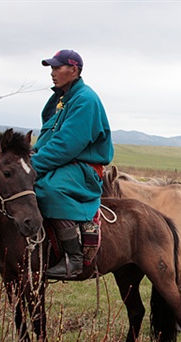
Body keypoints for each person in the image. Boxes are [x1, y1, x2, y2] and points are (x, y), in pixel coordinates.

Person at [32, 49, 114, 280]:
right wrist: (30, 155)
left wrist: (33, 165)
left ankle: (74, 258)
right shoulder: (63, 100)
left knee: (49, 188)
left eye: (58, 67)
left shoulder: (85, 100)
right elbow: (49, 138)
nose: (52, 72)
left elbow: (66, 145)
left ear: (74, 70)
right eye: (51, 68)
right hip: (67, 162)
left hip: (84, 168)